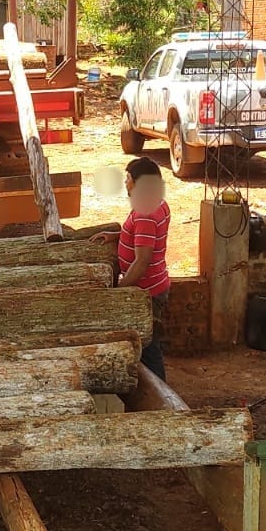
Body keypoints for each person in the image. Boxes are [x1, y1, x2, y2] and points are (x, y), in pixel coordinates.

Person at [95, 157, 171, 379]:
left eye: (128, 179)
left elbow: (142, 260)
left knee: (146, 345)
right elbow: (146, 239)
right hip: (156, 284)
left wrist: (119, 289)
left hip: (145, 290)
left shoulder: (145, 213)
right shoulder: (158, 203)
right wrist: (118, 236)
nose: (125, 183)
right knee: (148, 340)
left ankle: (161, 400)